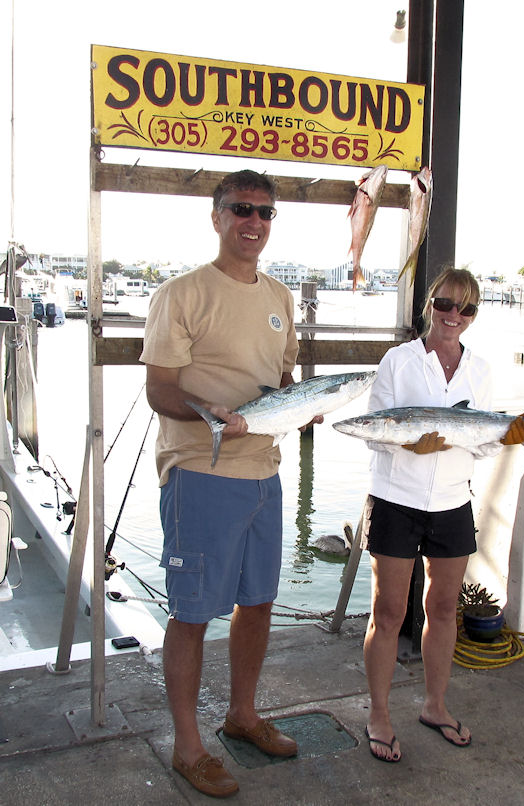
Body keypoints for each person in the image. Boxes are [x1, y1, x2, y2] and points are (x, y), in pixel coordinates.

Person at [140, 169, 320, 798]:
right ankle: (188, 749)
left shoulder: (279, 297)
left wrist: (304, 404)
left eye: (266, 213)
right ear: (216, 217)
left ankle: (242, 716)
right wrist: (210, 415)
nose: (254, 222)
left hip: (265, 473)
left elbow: (282, 382)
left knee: (259, 603)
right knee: (191, 614)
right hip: (200, 473)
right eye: (242, 209)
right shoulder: (181, 294)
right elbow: (160, 388)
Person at [362, 267, 524, 762]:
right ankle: (379, 713)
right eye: (444, 304)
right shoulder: (397, 362)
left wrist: (505, 437)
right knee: (390, 612)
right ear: (429, 306)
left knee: (443, 610)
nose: (453, 316)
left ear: (475, 315)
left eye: (466, 309)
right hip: (396, 499)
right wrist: (411, 447)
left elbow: (478, 442)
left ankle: (435, 705)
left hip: (452, 504)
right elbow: (378, 430)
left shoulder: (479, 370)